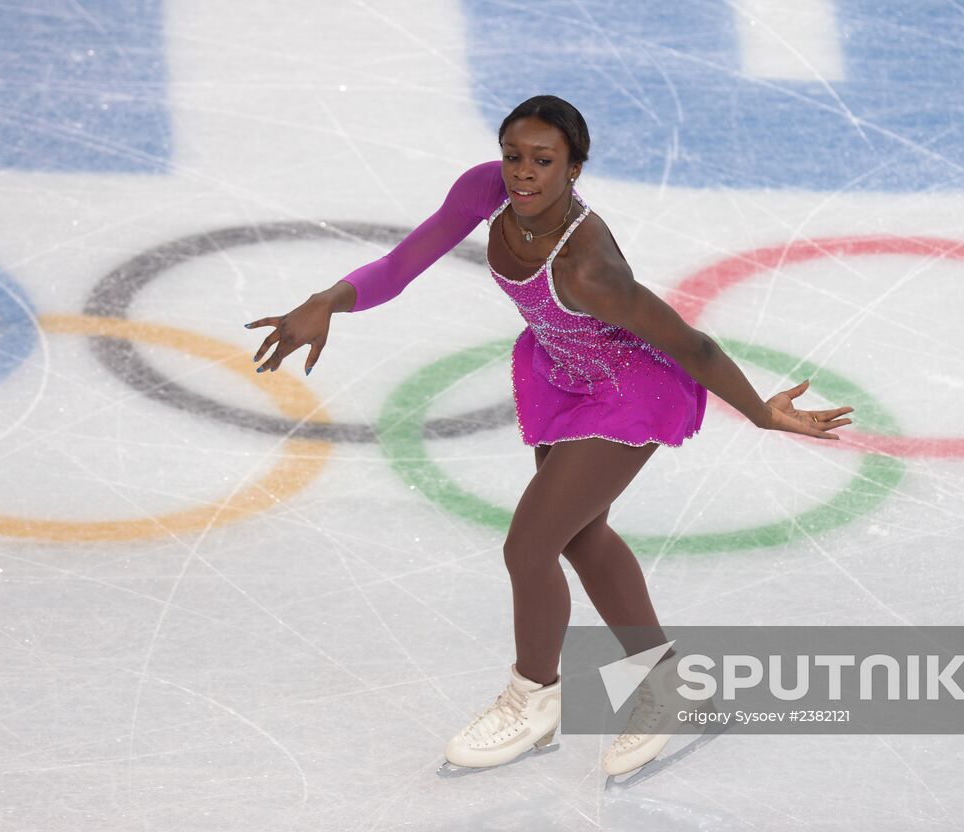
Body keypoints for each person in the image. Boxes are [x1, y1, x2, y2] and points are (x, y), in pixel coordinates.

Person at [246, 95, 853, 776]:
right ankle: (669, 687)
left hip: (626, 392)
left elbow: (692, 346)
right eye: (513, 156)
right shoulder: (488, 191)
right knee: (581, 540)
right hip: (564, 377)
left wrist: (762, 413)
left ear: (574, 169)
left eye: (543, 160)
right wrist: (329, 300)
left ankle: (532, 698)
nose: (523, 173)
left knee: (528, 547)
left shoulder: (587, 267)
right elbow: (401, 266)